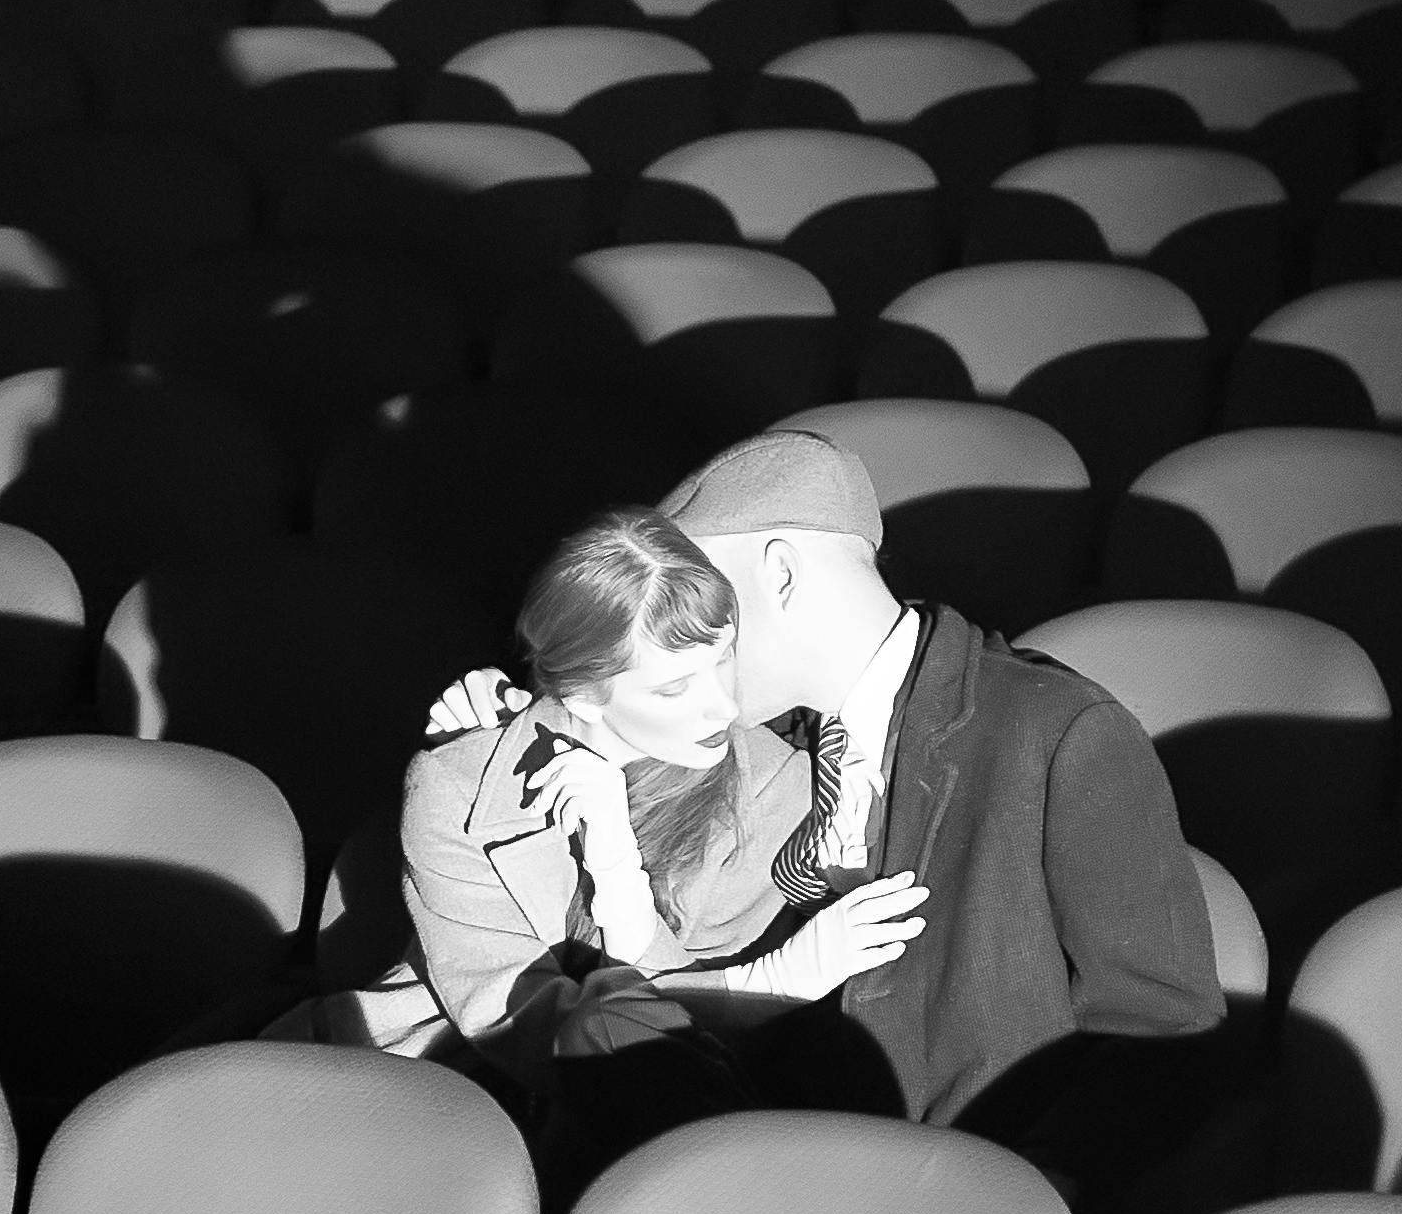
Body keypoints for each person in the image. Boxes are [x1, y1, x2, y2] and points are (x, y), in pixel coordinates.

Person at [429, 432, 1222, 1136]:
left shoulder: (1050, 730)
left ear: (778, 576)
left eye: (712, 616)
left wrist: (1024, 1204)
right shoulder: (754, 742)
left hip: (960, 1194)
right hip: (737, 1165)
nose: (701, 648)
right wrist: (528, 721)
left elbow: (1160, 1026)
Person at [364, 510, 925, 1171]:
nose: (722, 706)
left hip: (674, 1123)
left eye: (723, 661)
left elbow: (673, 1050)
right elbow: (516, 1023)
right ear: (583, 695)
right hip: (456, 1087)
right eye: (675, 686)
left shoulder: (775, 789)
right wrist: (770, 979)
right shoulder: (457, 783)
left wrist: (617, 866)